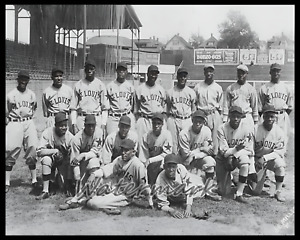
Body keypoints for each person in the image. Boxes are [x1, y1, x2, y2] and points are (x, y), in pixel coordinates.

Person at [59, 139, 152, 214]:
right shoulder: (119, 160)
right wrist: (93, 174)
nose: (123, 152)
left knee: (92, 203)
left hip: (124, 195)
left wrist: (150, 202)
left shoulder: (138, 165)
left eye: (127, 150)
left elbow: (144, 185)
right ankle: (75, 200)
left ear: (134, 152)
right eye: (122, 149)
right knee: (95, 179)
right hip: (113, 187)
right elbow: (106, 170)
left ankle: (85, 202)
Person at [6, 70, 39, 193]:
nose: (23, 81)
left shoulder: (31, 94)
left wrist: (28, 120)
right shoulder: (11, 95)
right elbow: (7, 111)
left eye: (26, 79)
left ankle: (34, 180)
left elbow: (34, 108)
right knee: (11, 149)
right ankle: (7, 182)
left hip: (28, 121)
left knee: (32, 147)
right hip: (15, 121)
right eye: (21, 79)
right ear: (17, 79)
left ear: (28, 81)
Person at [178, 110, 221, 201]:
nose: (198, 123)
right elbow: (186, 155)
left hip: (196, 158)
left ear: (204, 122)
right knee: (188, 187)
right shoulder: (184, 133)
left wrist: (196, 155)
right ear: (192, 120)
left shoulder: (207, 131)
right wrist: (201, 149)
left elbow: (209, 151)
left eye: (200, 121)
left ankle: (209, 191)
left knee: (210, 161)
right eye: (196, 121)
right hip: (184, 162)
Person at [216, 106, 256, 203]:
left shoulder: (247, 128)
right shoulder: (221, 128)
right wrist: (236, 149)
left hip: (238, 156)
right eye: (233, 116)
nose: (235, 119)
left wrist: (235, 154)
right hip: (223, 159)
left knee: (245, 162)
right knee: (223, 192)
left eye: (238, 116)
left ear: (242, 117)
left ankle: (239, 193)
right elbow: (224, 152)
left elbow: (250, 150)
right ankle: (231, 178)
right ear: (229, 116)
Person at [155, 153, 208, 219]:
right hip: (172, 196)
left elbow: (190, 189)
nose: (171, 169)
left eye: (173, 167)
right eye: (169, 167)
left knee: (202, 189)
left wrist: (188, 207)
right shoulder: (160, 179)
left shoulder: (181, 169)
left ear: (177, 167)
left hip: (185, 192)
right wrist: (171, 210)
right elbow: (161, 204)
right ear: (164, 167)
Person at [35, 112, 74, 200]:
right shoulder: (48, 132)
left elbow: (72, 159)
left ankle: (56, 180)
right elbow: (39, 152)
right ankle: (45, 191)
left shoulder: (70, 137)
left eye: (65, 125)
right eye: (61, 125)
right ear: (55, 125)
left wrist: (69, 178)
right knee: (46, 160)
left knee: (62, 187)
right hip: (51, 159)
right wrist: (54, 151)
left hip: (63, 162)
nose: (64, 128)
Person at [254, 105, 286, 202]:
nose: (269, 119)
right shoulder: (255, 129)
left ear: (275, 118)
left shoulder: (279, 132)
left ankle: (278, 191)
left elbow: (279, 152)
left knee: (280, 165)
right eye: (267, 116)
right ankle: (250, 179)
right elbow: (249, 149)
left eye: (272, 116)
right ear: (263, 116)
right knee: (255, 192)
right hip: (256, 160)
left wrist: (265, 158)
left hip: (269, 159)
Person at [69, 59, 109, 137]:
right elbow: (73, 108)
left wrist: (103, 124)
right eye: (87, 68)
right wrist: (73, 123)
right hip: (82, 117)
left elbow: (105, 108)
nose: (89, 70)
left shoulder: (100, 85)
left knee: (97, 142)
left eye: (91, 68)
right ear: (84, 70)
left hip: (96, 117)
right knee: (80, 141)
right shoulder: (78, 85)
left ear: (95, 70)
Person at [257, 63, 293, 146]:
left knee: (282, 140)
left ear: (280, 73)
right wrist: (267, 116)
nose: (276, 73)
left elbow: (290, 107)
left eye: (278, 71)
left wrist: (282, 115)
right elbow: (260, 107)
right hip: (269, 116)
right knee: (268, 139)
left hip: (282, 116)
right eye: (274, 71)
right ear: (270, 72)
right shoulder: (264, 88)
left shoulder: (286, 88)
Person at [194, 64, 223, 156]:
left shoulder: (218, 87)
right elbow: (194, 103)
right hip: (201, 114)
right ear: (204, 72)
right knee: (202, 138)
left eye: (211, 71)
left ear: (213, 73)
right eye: (207, 71)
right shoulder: (198, 87)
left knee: (215, 140)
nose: (209, 73)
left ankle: (214, 160)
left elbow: (221, 105)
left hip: (213, 114)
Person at [70, 114, 104, 194]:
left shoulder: (99, 132)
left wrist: (83, 155)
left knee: (94, 162)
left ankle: (95, 190)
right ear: (84, 125)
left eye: (93, 125)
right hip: (81, 165)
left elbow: (96, 152)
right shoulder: (77, 138)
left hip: (95, 162)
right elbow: (74, 161)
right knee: (79, 189)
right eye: (88, 126)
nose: (91, 128)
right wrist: (77, 176)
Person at [166, 67, 196, 154]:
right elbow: (167, 108)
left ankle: (186, 164)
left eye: (184, 76)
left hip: (186, 119)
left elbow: (193, 109)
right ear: (177, 77)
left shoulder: (191, 92)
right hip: (174, 119)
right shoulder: (170, 92)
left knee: (186, 142)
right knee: (173, 144)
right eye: (180, 76)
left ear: (186, 78)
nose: (182, 78)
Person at [135, 65, 167, 144]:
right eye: (151, 73)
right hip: (144, 119)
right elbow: (136, 107)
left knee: (158, 143)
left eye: (155, 74)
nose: (153, 76)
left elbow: (163, 106)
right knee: (141, 143)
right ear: (147, 74)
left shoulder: (161, 89)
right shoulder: (140, 89)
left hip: (157, 120)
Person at [139, 112, 173, 185]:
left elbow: (167, 154)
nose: (156, 126)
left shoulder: (167, 134)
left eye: (158, 123)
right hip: (151, 165)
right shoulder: (146, 136)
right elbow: (143, 158)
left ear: (162, 124)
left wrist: (151, 160)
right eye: (154, 123)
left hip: (162, 162)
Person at [223, 64, 259, 131]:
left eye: (243, 73)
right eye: (239, 73)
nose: (240, 75)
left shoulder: (251, 89)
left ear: (246, 74)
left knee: (248, 139)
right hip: (234, 118)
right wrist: (225, 120)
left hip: (246, 117)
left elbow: (254, 107)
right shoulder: (231, 88)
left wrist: (255, 122)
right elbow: (226, 106)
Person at [106, 62, 136, 135]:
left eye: (123, 70)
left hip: (127, 115)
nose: (121, 72)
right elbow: (106, 106)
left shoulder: (130, 87)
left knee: (130, 139)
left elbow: (133, 104)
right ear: (116, 71)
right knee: (111, 138)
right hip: (114, 117)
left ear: (126, 72)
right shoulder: (109, 86)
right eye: (119, 70)